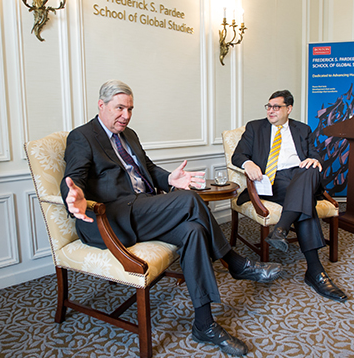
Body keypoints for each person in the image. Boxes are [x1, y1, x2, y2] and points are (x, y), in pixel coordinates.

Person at [60, 80, 283, 356]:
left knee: (193, 231)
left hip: (144, 209)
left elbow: (149, 169)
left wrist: (169, 178)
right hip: (111, 219)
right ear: (101, 105)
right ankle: (235, 263)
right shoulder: (82, 136)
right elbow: (74, 177)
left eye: (130, 109)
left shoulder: (129, 135)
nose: (126, 116)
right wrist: (76, 195)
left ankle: (204, 324)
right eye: (119, 108)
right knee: (190, 199)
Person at [231, 89, 348, 303]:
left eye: (277, 106)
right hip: (274, 180)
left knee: (311, 170)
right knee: (306, 203)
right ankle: (315, 271)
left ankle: (281, 228)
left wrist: (314, 160)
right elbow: (238, 154)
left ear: (289, 109)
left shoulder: (303, 129)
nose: (271, 110)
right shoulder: (255, 127)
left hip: (301, 175)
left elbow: (315, 154)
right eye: (269, 106)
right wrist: (248, 164)